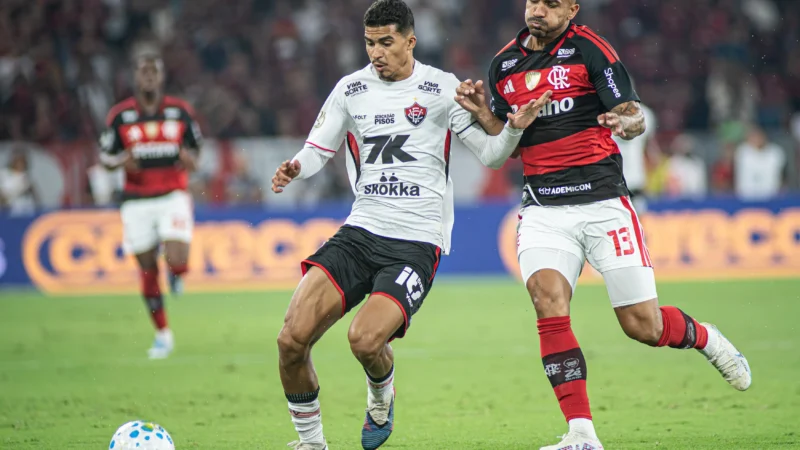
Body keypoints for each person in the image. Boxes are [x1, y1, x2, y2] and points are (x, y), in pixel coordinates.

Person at [455, 0, 751, 448]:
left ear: (571, 8)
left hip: (603, 203)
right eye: (533, 1)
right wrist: (485, 114)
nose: (538, 10)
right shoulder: (504, 63)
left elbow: (633, 115)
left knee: (642, 326)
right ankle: (581, 433)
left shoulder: (592, 50)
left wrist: (624, 123)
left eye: (551, 4)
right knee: (547, 301)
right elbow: (506, 141)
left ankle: (707, 337)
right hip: (543, 209)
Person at [270, 1, 551, 448]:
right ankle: (311, 443)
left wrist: (512, 129)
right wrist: (294, 168)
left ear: (410, 40)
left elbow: (493, 155)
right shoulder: (351, 89)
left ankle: (382, 393)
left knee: (364, 341)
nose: (376, 53)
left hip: (416, 241)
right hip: (361, 231)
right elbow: (317, 149)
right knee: (290, 341)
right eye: (369, 43)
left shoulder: (442, 88)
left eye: (386, 42)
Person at [99, 54, 202, 360]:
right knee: (146, 269)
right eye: (143, 71)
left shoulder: (180, 112)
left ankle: (177, 273)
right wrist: (120, 162)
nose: (148, 76)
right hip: (136, 200)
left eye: (153, 71)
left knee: (177, 258)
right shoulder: (120, 116)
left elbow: (197, 151)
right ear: (135, 77)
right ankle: (162, 334)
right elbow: (104, 157)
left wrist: (190, 162)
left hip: (172, 195)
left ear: (161, 77)